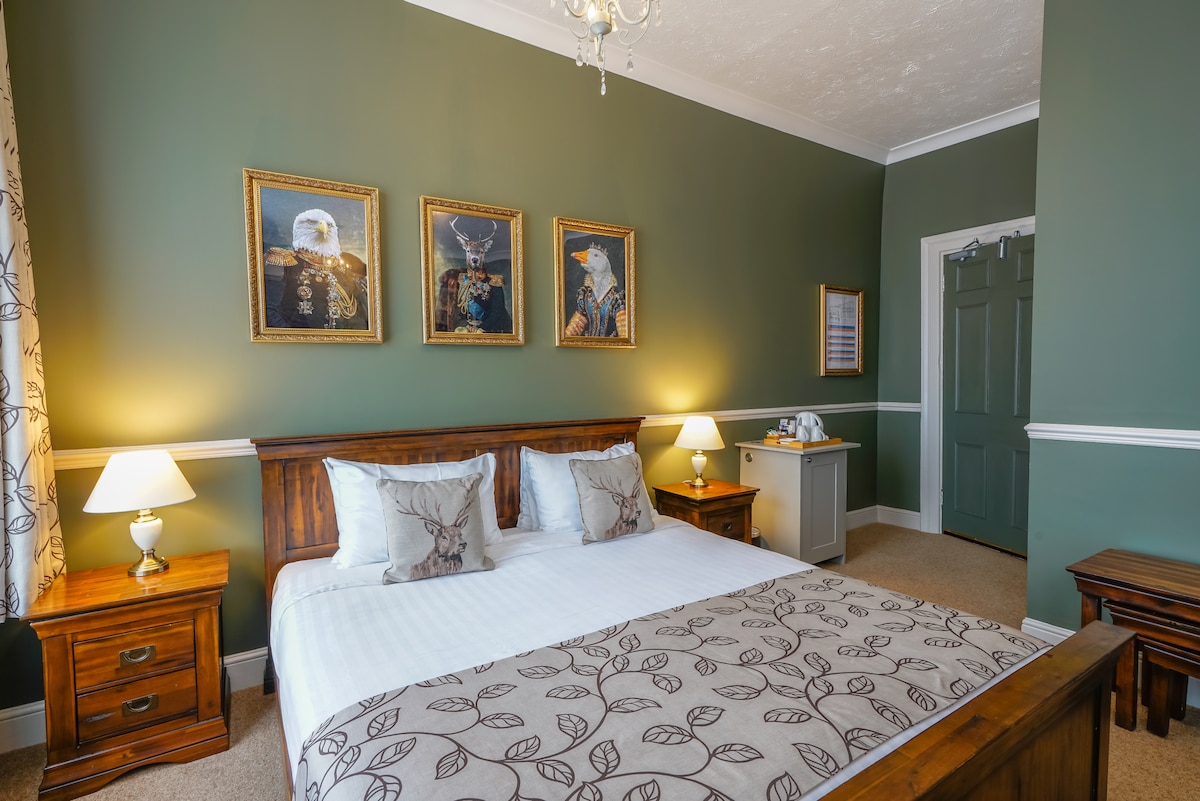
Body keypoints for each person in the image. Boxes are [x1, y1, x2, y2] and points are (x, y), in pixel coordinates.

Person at [564, 244, 627, 338]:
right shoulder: (585, 296)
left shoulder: (617, 300)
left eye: (595, 255)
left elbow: (624, 335)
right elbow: (574, 329)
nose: (580, 254)